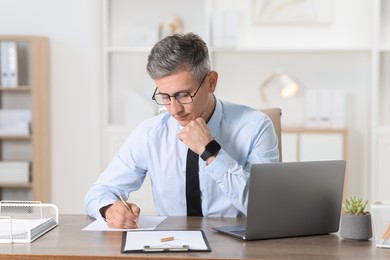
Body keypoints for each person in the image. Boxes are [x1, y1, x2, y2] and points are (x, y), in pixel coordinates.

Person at [84, 33, 279, 228]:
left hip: (235, 248)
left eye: (183, 95)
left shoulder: (256, 126)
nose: (174, 109)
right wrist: (109, 209)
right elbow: (100, 191)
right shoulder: (149, 133)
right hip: (168, 245)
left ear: (211, 82)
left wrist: (210, 150)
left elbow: (266, 208)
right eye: (165, 96)